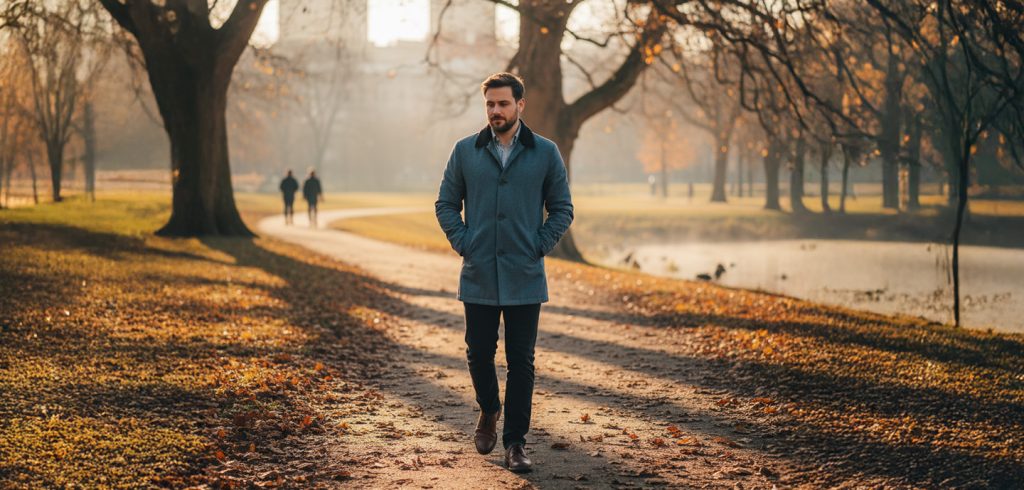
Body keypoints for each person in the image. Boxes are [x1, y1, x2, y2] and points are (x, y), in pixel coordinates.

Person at [435, 72, 573, 473]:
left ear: (520, 105)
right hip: (478, 272)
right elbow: (445, 203)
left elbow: (562, 208)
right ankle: (489, 409)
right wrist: (465, 241)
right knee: (478, 354)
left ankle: (515, 443)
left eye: (503, 104)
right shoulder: (465, 151)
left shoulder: (545, 152)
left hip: (525, 276)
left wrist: (538, 245)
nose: (495, 111)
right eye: (490, 105)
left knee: (521, 362)